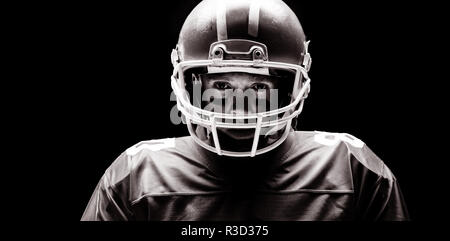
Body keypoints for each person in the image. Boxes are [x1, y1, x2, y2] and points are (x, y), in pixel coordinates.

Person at [81, 0, 409, 221]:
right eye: (221, 87)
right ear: (189, 82)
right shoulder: (136, 175)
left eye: (257, 87)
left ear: (293, 85)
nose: (239, 107)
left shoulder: (352, 168)